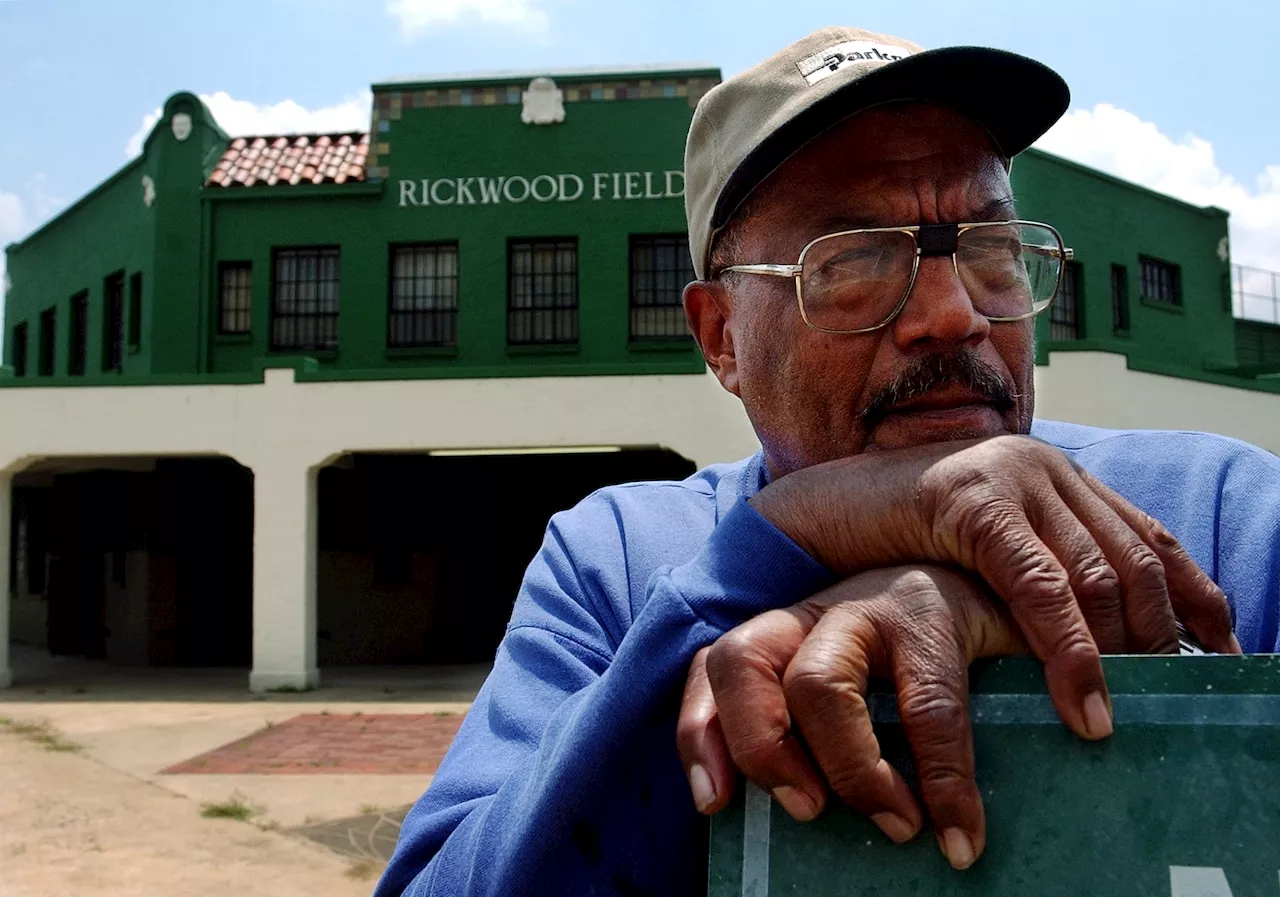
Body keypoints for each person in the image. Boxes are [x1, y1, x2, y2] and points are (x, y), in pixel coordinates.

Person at [376, 26, 1280, 897]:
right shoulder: (621, 563)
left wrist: (1027, 608)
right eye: (852, 260)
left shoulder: (1218, 514)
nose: (954, 313)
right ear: (722, 337)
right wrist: (780, 541)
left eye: (993, 251)